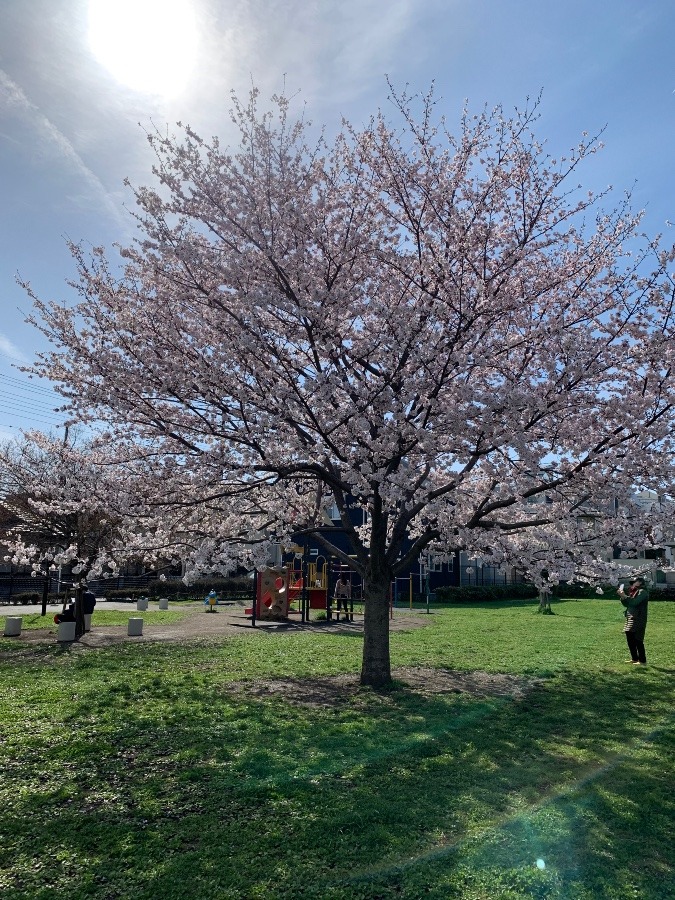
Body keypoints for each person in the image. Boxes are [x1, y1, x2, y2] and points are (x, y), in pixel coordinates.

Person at [617, 576, 649, 665]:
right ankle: (634, 658)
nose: (632, 584)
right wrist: (622, 597)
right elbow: (627, 603)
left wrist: (624, 596)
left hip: (638, 618)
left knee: (638, 639)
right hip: (630, 617)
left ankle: (642, 660)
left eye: (634, 582)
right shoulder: (633, 592)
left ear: (640, 582)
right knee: (630, 637)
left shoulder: (642, 592)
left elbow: (635, 602)